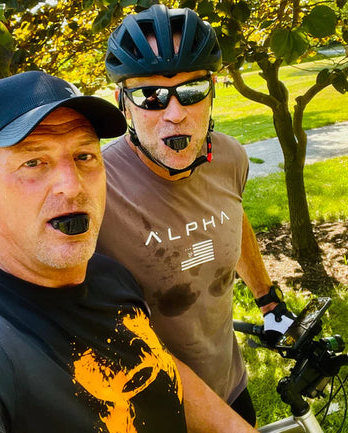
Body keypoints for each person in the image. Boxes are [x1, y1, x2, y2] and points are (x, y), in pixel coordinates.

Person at [0, 70, 258, 433]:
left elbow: (157, 365)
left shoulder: (108, 275)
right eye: (33, 162)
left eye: (84, 155)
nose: (71, 186)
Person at [97, 4, 295, 426]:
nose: (175, 113)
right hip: (149, 413)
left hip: (231, 386)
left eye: (191, 91)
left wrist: (268, 301)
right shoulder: (96, 187)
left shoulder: (229, 157)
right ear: (123, 105)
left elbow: (233, 218)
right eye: (150, 96)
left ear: (212, 91)